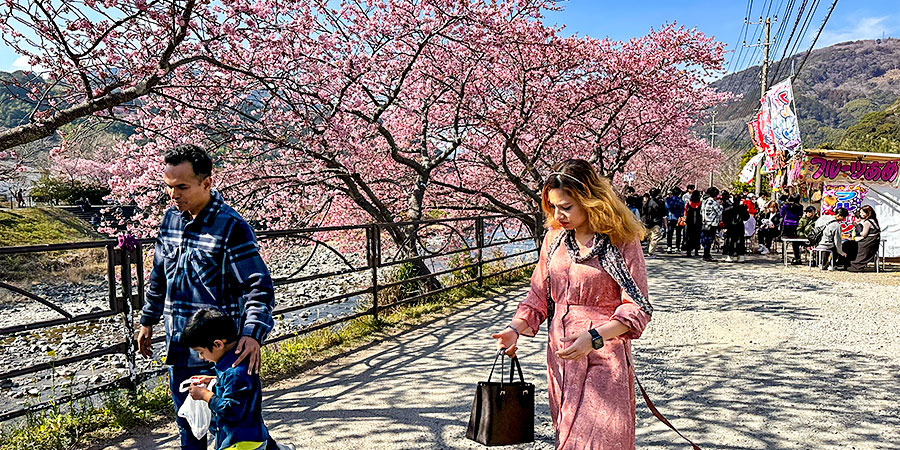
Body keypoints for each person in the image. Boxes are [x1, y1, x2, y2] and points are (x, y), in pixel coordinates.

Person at [491, 158, 651, 450]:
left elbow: (637, 306)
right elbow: (538, 295)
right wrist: (515, 329)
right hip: (562, 355)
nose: (558, 214)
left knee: (600, 437)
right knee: (568, 436)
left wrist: (594, 337)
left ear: (590, 201)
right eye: (553, 206)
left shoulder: (620, 240)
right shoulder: (554, 240)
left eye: (566, 207)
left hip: (605, 352)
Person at [137, 144, 276, 450]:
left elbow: (258, 286)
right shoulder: (170, 220)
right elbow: (159, 274)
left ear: (207, 183)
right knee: (189, 428)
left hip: (219, 352)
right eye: (170, 188)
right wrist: (147, 319)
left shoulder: (231, 227)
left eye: (182, 187)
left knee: (234, 430)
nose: (175, 196)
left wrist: (252, 335)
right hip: (180, 346)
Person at [183, 309, 292, 450]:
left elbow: (231, 411)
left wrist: (206, 396)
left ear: (218, 345)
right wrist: (213, 382)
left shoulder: (234, 371)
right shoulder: (232, 364)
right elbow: (234, 391)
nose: (201, 357)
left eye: (201, 352)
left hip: (241, 443)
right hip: (249, 436)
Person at [849, 205, 881, 272]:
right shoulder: (874, 220)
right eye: (860, 213)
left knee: (852, 246)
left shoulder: (867, 222)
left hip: (868, 242)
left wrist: (858, 228)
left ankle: (855, 265)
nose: (861, 214)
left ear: (868, 213)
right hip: (874, 242)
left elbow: (864, 234)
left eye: (863, 213)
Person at [721, 192, 750, 262]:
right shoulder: (742, 208)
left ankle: (730, 256)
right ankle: (741, 256)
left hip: (731, 226)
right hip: (740, 225)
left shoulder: (728, 208)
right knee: (740, 240)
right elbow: (746, 217)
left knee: (730, 240)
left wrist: (727, 224)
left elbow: (724, 217)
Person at [641, 188, 666, 257]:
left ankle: (649, 250)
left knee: (649, 237)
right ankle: (651, 252)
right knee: (654, 238)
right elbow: (663, 213)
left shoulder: (646, 202)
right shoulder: (660, 203)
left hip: (647, 222)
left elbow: (643, 212)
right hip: (656, 222)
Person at [780, 195, 804, 264]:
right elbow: (800, 214)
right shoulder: (800, 207)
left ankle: (783, 256)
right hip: (795, 225)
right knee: (795, 242)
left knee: (785, 241)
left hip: (786, 224)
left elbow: (781, 214)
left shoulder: (786, 206)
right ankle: (797, 257)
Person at [700, 186, 722, 262]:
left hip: (705, 222)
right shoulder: (714, 203)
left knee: (706, 239)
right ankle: (706, 255)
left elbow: (701, 212)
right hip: (712, 224)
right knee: (709, 239)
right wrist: (721, 206)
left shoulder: (704, 202)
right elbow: (719, 212)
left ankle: (706, 254)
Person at [665, 187, 685, 253]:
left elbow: (666, 208)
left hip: (670, 218)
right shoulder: (681, 201)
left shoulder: (668, 200)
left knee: (670, 233)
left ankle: (669, 247)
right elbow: (682, 210)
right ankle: (677, 247)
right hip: (678, 218)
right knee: (678, 233)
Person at [683, 190, 702, 257]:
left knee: (689, 237)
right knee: (697, 237)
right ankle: (696, 251)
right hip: (698, 223)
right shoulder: (700, 204)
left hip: (689, 223)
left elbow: (685, 213)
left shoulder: (688, 204)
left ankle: (689, 251)